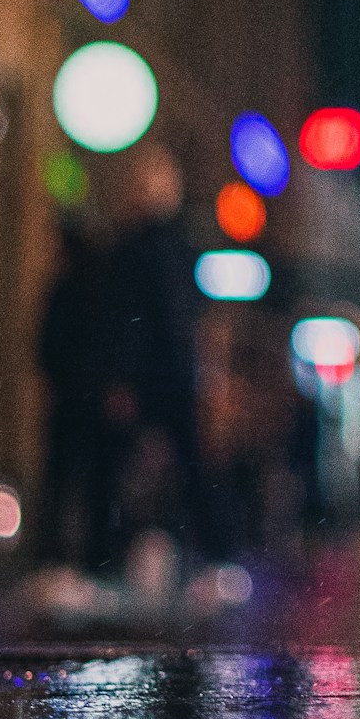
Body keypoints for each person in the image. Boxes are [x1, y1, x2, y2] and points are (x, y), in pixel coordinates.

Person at [97, 145, 219, 567]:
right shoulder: (180, 246)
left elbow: (135, 319)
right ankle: (208, 554)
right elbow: (185, 317)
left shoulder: (139, 248)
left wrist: (122, 378)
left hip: (151, 376)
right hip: (174, 374)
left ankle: (106, 557)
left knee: (113, 466)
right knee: (188, 467)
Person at [34, 219, 109, 570]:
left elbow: (46, 346)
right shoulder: (98, 292)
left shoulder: (65, 288)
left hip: (69, 402)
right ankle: (94, 558)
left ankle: (52, 556)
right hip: (89, 402)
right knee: (90, 484)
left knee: (60, 482)